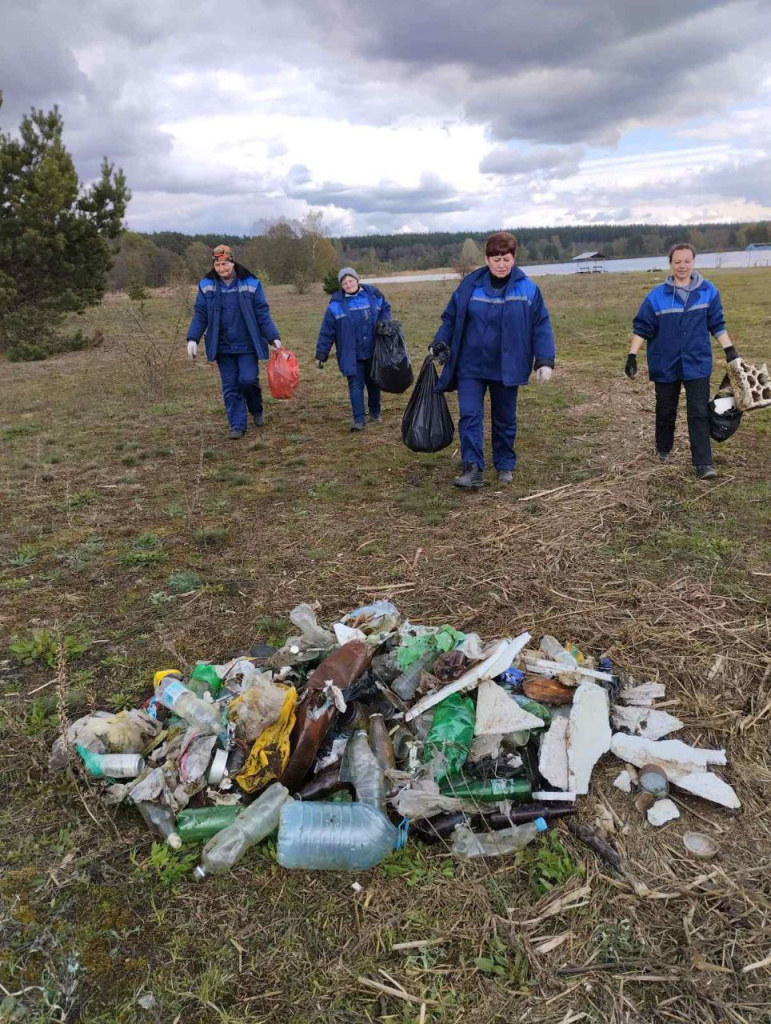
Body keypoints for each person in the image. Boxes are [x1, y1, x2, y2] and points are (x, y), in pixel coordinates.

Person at [429, 232, 556, 487]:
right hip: (470, 365)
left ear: (514, 259)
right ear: (487, 259)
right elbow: (451, 318)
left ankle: (505, 464)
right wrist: (439, 342)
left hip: (507, 366)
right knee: (469, 416)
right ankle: (472, 467)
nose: (501, 264)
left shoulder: (528, 288)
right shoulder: (469, 286)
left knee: (505, 417)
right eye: (496, 258)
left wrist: (544, 360)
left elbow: (540, 324)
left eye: (506, 258)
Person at [626, 243, 739, 479]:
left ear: (693, 262)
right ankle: (663, 450)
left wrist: (730, 350)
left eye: (687, 261)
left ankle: (703, 463)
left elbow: (717, 324)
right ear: (670, 264)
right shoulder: (656, 296)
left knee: (698, 411)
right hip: (665, 364)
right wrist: (632, 355)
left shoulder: (708, 292)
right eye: (677, 262)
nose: (682, 266)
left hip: (697, 363)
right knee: (666, 409)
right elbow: (642, 328)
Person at [186, 244, 282, 439]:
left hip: (247, 344)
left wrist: (273, 337)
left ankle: (256, 408)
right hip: (222, 345)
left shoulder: (251, 282)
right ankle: (237, 425)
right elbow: (201, 314)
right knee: (230, 385)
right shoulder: (206, 285)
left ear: (232, 262)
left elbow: (262, 313)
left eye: (225, 264)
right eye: (218, 264)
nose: (221, 269)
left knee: (247, 380)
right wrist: (192, 338)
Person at [315, 267, 392, 431]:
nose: (348, 285)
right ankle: (358, 420)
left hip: (373, 349)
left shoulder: (373, 296)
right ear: (341, 286)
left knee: (374, 382)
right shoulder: (336, 305)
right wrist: (321, 354)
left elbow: (386, 308)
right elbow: (327, 331)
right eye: (344, 283)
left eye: (350, 281)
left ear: (357, 280)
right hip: (351, 352)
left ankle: (375, 413)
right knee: (355, 385)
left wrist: (384, 322)